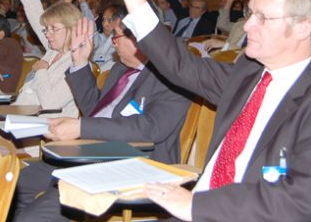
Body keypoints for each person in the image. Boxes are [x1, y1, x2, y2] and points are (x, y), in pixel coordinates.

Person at [108, 0, 311, 221]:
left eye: (262, 17)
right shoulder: (249, 74)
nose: (249, 25)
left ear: (303, 27)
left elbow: (297, 200)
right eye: (251, 13)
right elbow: (182, 66)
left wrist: (195, 206)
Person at [12, 16, 192, 221]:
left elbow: (150, 128)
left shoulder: (171, 75)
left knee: (34, 217)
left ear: (138, 39)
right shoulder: (120, 69)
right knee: (17, 185)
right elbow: (94, 110)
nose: (112, 44)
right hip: (88, 154)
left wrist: (81, 128)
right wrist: (79, 62)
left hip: (129, 164)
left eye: (115, 37)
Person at [10, 0, 82, 119]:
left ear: (71, 29)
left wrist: (41, 70)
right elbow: (33, 7)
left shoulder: (77, 63)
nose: (47, 33)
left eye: (53, 29)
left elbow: (50, 104)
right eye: (46, 29)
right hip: (22, 118)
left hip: (47, 133)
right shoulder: (52, 50)